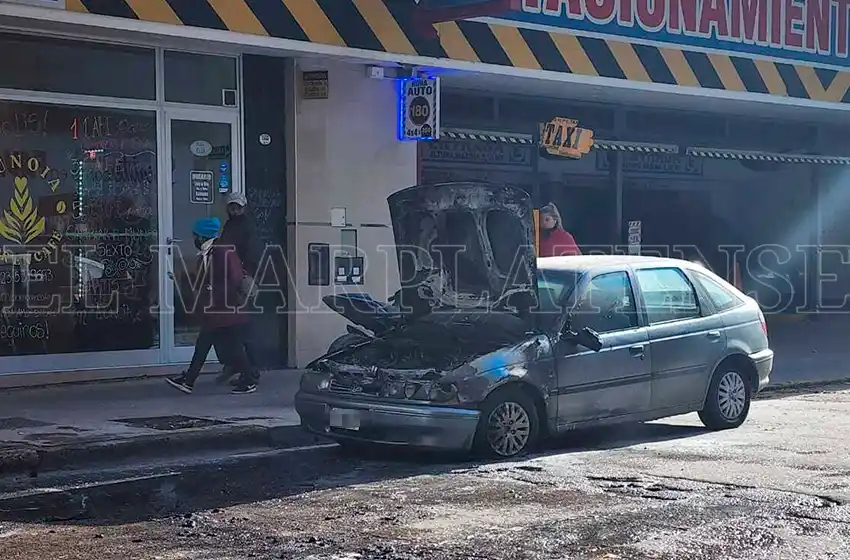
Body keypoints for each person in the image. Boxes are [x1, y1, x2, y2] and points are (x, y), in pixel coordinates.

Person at [166, 217, 259, 395]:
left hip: (225, 309)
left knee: (229, 346)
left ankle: (248, 379)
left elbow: (233, 279)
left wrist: (215, 296)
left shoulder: (222, 252)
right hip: (219, 309)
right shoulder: (210, 252)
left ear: (202, 236)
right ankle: (190, 380)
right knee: (208, 344)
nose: (193, 239)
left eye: (195, 235)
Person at [214, 192, 264, 385]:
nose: (235, 210)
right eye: (232, 207)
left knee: (239, 327)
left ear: (244, 207)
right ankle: (243, 367)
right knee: (236, 326)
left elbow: (252, 253)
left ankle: (248, 369)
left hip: (240, 277)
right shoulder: (230, 226)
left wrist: (245, 274)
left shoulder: (247, 227)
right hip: (231, 276)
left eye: (238, 207)